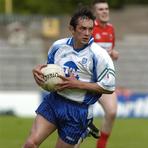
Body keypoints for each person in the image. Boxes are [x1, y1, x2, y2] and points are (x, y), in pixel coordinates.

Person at [23, 7, 115, 148]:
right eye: (82, 29)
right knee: (30, 144)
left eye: (90, 29)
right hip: (54, 101)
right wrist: (39, 74)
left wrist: (77, 84)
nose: (87, 33)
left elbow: (109, 87)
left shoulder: (99, 55)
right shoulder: (57, 46)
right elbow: (51, 73)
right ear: (72, 29)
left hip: (78, 111)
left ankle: (85, 128)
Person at [91, 1, 119, 148]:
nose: (104, 11)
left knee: (112, 112)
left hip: (104, 79)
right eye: (100, 9)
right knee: (78, 125)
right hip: (87, 81)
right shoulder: (88, 28)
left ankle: (101, 145)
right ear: (95, 12)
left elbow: (110, 51)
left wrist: (113, 53)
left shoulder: (111, 29)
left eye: (106, 9)